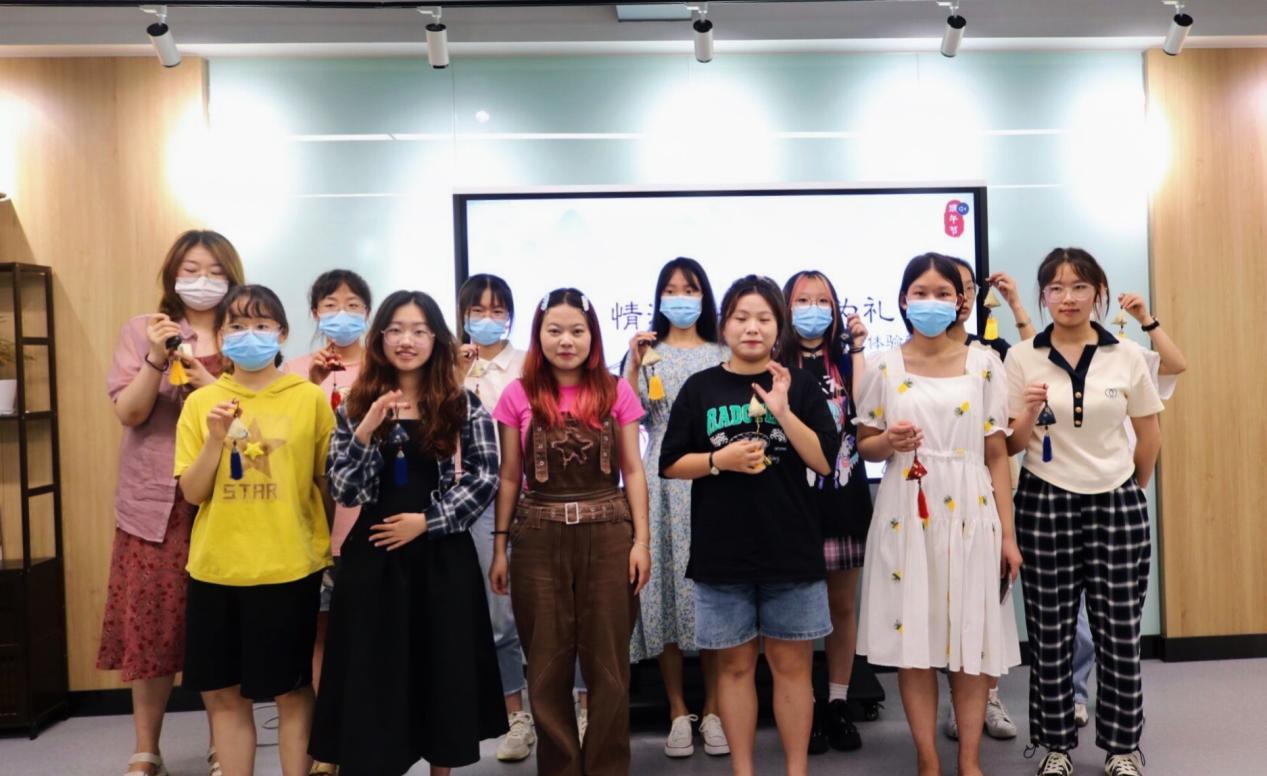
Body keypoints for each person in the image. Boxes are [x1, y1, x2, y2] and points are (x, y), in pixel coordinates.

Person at [310, 290, 508, 776]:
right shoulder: (355, 405)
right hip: (374, 561)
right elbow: (345, 490)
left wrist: (427, 522)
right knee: (377, 675)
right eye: (396, 330)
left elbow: (486, 476)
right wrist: (364, 431)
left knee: (442, 670)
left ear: (436, 339)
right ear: (379, 338)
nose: (407, 340)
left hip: (442, 559)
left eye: (419, 330)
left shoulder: (462, 404)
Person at [660, 275, 839, 776]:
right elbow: (670, 463)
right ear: (725, 325)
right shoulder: (700, 387)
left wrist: (783, 411)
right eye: (741, 318)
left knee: (792, 669)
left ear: (779, 327)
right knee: (735, 669)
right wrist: (719, 460)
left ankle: (796, 771)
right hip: (722, 554)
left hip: (791, 550)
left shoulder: (799, 384)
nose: (752, 328)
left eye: (763, 318)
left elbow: (824, 461)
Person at [855, 253, 1022, 776]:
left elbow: (998, 453)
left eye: (942, 293)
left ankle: (969, 760)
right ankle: (927, 759)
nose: (931, 302)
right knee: (915, 643)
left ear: (960, 301)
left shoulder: (984, 363)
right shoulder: (883, 365)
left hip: (972, 510)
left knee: (970, 639)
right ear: (904, 301)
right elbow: (865, 445)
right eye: (920, 293)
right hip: (907, 511)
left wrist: (1008, 536)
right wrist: (889, 440)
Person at [1005, 248, 1163, 776]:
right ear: (1043, 296)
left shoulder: (1127, 355)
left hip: (1116, 502)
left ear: (1099, 293)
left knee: (1119, 632)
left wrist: (1130, 489)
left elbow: (1149, 435)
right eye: (1055, 288)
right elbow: (1010, 445)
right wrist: (1028, 411)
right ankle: (1055, 746)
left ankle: (1122, 748)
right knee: (1050, 633)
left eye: (1079, 287)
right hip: (1044, 501)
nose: (1067, 298)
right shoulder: (1022, 356)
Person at [488, 288, 651, 776]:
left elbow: (633, 471)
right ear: (538, 336)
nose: (566, 341)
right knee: (546, 667)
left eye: (577, 331)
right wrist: (500, 547)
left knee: (609, 666)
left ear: (592, 336)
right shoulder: (518, 393)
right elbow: (510, 477)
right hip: (537, 536)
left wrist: (642, 542)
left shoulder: (616, 390)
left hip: (609, 535)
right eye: (554, 330)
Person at [174, 285, 335, 776]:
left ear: (282, 334)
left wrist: (331, 552)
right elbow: (192, 493)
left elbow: (326, 484)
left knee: (292, 692)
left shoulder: (309, 399)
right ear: (221, 336)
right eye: (238, 326)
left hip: (289, 567)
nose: (250, 335)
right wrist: (215, 441)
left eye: (262, 325)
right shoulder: (202, 403)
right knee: (224, 696)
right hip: (217, 569)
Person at [100, 229, 243, 776]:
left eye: (215, 271)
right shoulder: (144, 329)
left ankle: (223, 744)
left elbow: (255, 419)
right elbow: (132, 413)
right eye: (191, 269)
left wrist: (209, 381)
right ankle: (146, 748)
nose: (203, 281)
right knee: (151, 627)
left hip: (224, 500)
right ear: (172, 275)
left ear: (232, 278)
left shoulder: (245, 333)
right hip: (153, 505)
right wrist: (156, 359)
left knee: (219, 627)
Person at [624, 257, 729, 759]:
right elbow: (626, 415)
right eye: (671, 289)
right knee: (663, 594)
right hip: (661, 478)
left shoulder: (723, 352)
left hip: (714, 474)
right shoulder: (647, 354)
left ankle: (714, 709)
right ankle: (676, 710)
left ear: (704, 296)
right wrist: (631, 364)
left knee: (713, 594)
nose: (681, 297)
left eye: (690, 289)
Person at [777, 270, 872, 755]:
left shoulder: (848, 360)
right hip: (791, 503)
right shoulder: (774, 364)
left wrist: (859, 349)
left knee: (842, 605)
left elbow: (870, 413)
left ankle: (837, 701)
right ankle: (805, 706)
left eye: (822, 301)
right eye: (802, 300)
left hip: (844, 496)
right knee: (794, 608)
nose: (812, 310)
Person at [941, 257, 1028, 742]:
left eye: (967, 288)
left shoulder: (992, 352)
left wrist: (1016, 305)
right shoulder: (911, 357)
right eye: (949, 288)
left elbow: (1037, 359)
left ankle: (987, 696)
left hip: (985, 489)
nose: (960, 297)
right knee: (941, 605)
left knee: (987, 601)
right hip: (932, 495)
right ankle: (957, 701)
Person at [453, 273, 538, 763]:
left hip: (537, 495)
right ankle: (516, 716)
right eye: (477, 311)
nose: (487, 319)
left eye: (497, 310)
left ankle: (576, 708)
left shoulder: (529, 363)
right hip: (480, 502)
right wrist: (454, 375)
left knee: (558, 611)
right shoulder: (450, 368)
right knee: (500, 615)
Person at [281, 269, 372, 719]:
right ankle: (325, 731)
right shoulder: (296, 370)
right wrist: (314, 385)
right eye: (331, 305)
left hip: (368, 518)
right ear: (315, 313)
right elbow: (286, 437)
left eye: (353, 305)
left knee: (367, 628)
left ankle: (364, 722)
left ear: (368, 313)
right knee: (318, 629)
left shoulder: (382, 367)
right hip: (314, 517)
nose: (342, 313)